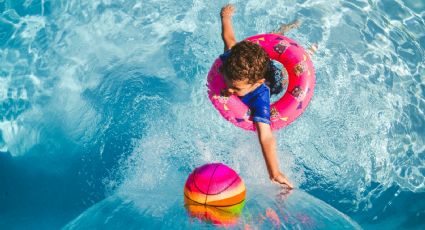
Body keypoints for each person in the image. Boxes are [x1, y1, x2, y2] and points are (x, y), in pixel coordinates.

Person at [219, 4, 303, 189]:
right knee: (266, 48)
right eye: (228, 84)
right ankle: (281, 31)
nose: (230, 91)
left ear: (255, 84)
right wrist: (225, 17)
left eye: (236, 89)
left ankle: (294, 38)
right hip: (255, 70)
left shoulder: (260, 98)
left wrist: (274, 173)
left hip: (274, 80)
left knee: (282, 78)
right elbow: (229, 37)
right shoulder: (231, 63)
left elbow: (265, 136)